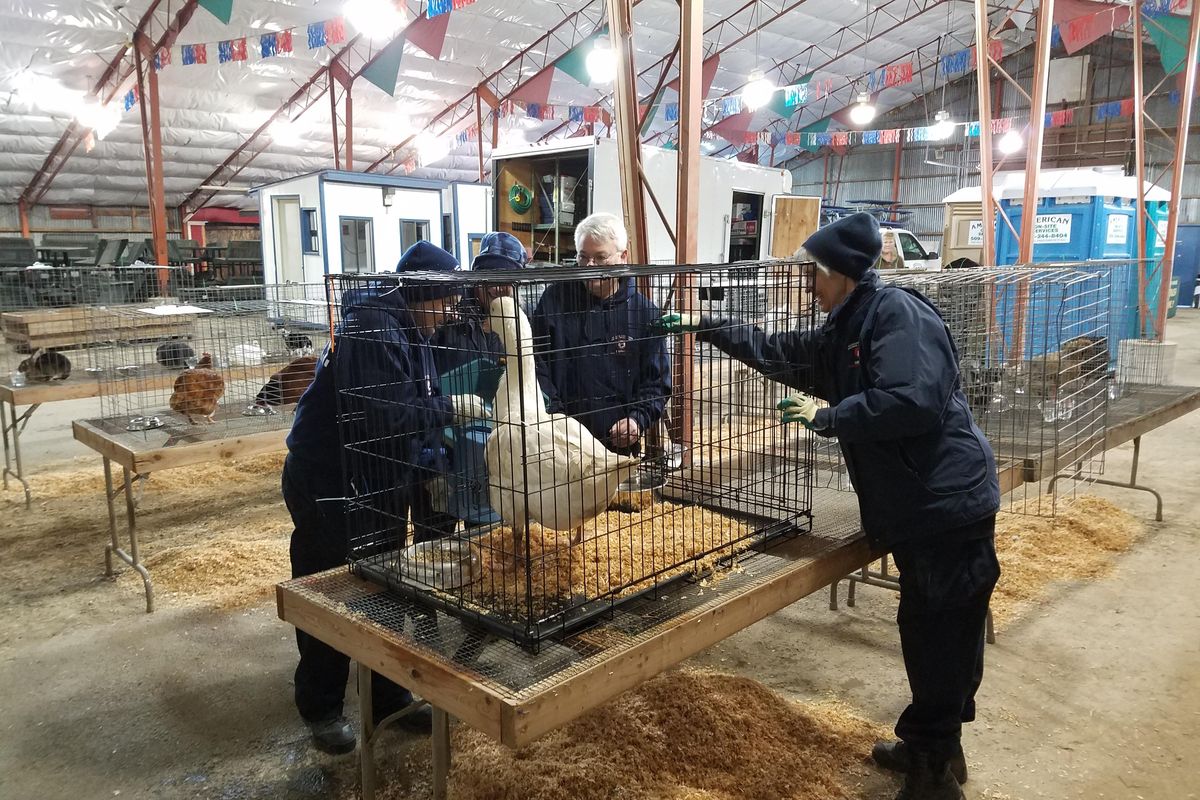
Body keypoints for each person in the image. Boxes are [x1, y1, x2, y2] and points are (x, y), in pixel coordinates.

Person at [657, 212, 1000, 800]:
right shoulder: (847, 324)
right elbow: (778, 351)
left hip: (947, 499)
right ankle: (933, 745)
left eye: (814, 273)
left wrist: (828, 416)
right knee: (929, 626)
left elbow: (912, 400)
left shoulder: (897, 314)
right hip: (919, 503)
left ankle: (935, 775)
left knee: (944, 631)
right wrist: (706, 325)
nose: (809, 285)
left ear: (841, 273)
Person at [283, 241, 486, 755]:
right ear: (419, 292)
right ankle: (322, 705)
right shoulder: (373, 326)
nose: (447, 313)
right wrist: (446, 409)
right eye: (441, 301)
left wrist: (431, 469)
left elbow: (409, 403)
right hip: (329, 478)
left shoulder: (412, 328)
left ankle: (388, 697)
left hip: (378, 477)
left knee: (385, 589)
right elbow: (385, 416)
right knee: (332, 591)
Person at [532, 212, 671, 454]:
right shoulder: (554, 301)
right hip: (560, 441)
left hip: (616, 444)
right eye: (583, 257)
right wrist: (554, 417)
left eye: (600, 257)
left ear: (623, 256)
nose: (590, 267)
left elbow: (656, 382)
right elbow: (537, 361)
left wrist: (636, 420)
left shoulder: (644, 314)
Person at [427, 231, 530, 528]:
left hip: (490, 443)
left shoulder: (515, 320)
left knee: (485, 525)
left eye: (507, 279)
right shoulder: (449, 315)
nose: (499, 286)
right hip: (444, 438)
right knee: (437, 526)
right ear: (477, 276)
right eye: (491, 275)